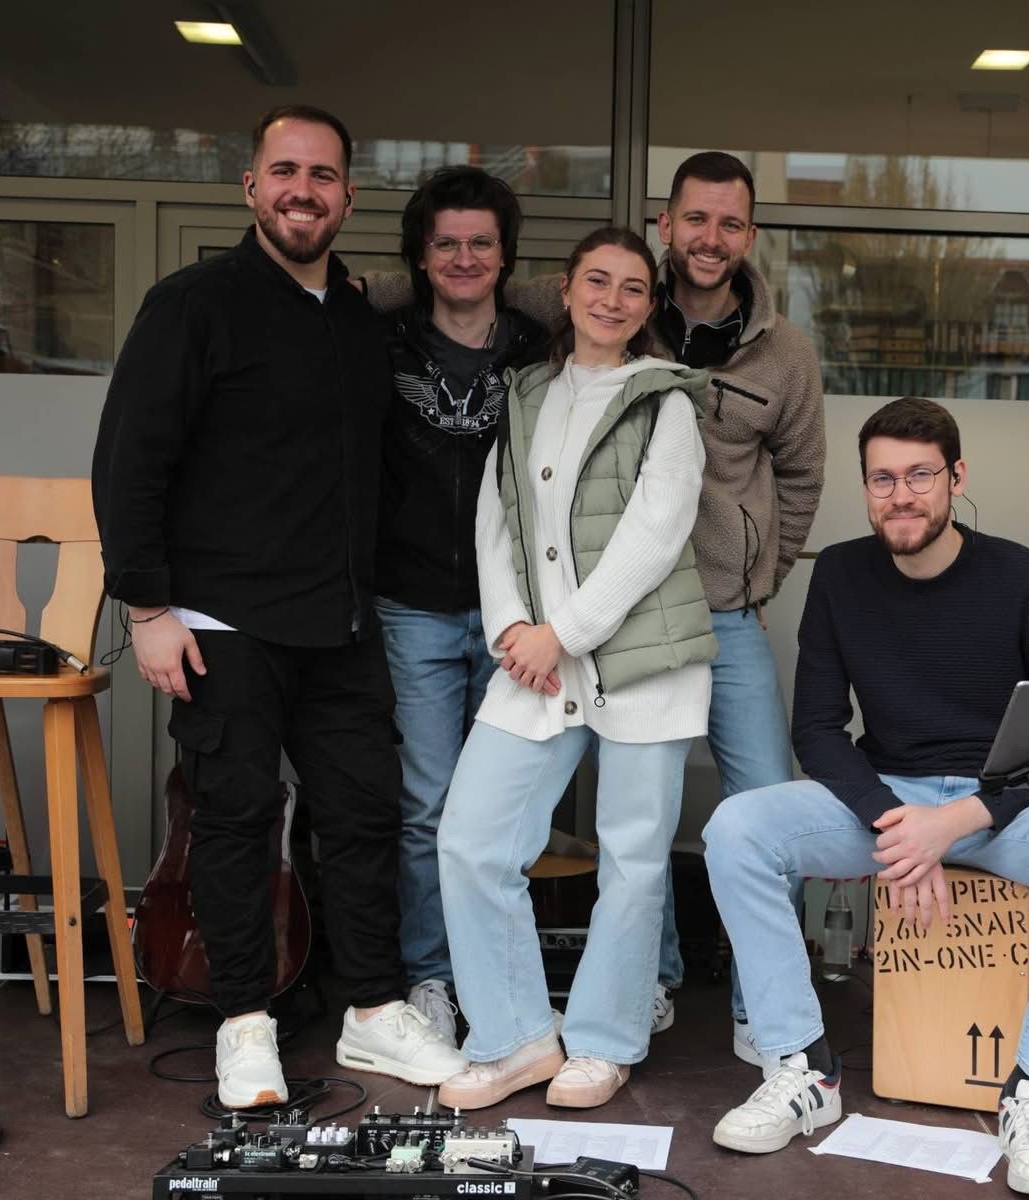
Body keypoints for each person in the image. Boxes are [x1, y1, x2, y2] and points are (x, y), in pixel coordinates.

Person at [361, 152, 827, 1045]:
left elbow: (798, 478)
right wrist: (344, 282)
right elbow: (463, 270)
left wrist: (760, 576)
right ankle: (632, 991)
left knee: (759, 806)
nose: (711, 238)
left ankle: (761, 1012)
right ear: (666, 224)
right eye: (697, 220)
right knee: (527, 827)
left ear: (749, 237)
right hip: (570, 628)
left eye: (730, 224)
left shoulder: (780, 354)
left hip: (711, 613)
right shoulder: (564, 332)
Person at [91, 103, 465, 1111]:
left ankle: (375, 1010)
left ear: (348, 196)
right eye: (285, 170)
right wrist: (146, 609)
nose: (304, 189)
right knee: (237, 817)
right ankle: (245, 1023)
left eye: (324, 175)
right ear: (251, 187)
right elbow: (130, 461)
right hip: (220, 621)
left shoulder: (354, 318)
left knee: (360, 815)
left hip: (340, 623)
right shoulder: (192, 305)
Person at [700, 397, 1029, 1197]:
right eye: (882, 479)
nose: (900, 496)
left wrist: (956, 822)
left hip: (1004, 804)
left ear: (956, 478)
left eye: (919, 476)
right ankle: (804, 1070)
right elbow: (818, 728)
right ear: (865, 487)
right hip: (890, 795)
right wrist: (898, 823)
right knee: (738, 828)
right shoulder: (840, 573)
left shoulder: (1023, 578)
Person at [434, 227, 714, 1112]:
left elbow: (654, 536)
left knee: (632, 859)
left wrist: (566, 632)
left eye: (634, 289)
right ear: (566, 289)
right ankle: (517, 1037)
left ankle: (603, 1041)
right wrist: (515, 627)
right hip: (535, 659)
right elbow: (496, 518)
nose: (613, 300)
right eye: (598, 281)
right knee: (472, 841)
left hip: (636, 661)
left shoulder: (665, 400)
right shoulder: (525, 391)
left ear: (648, 307)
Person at [375, 167, 549, 1046]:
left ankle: (498, 978)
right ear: (420, 255)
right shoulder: (381, 342)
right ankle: (432, 977)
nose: (464, 257)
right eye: (445, 242)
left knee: (506, 810)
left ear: (506, 255)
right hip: (411, 606)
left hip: (515, 614)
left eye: (481, 242)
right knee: (428, 807)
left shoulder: (540, 351)